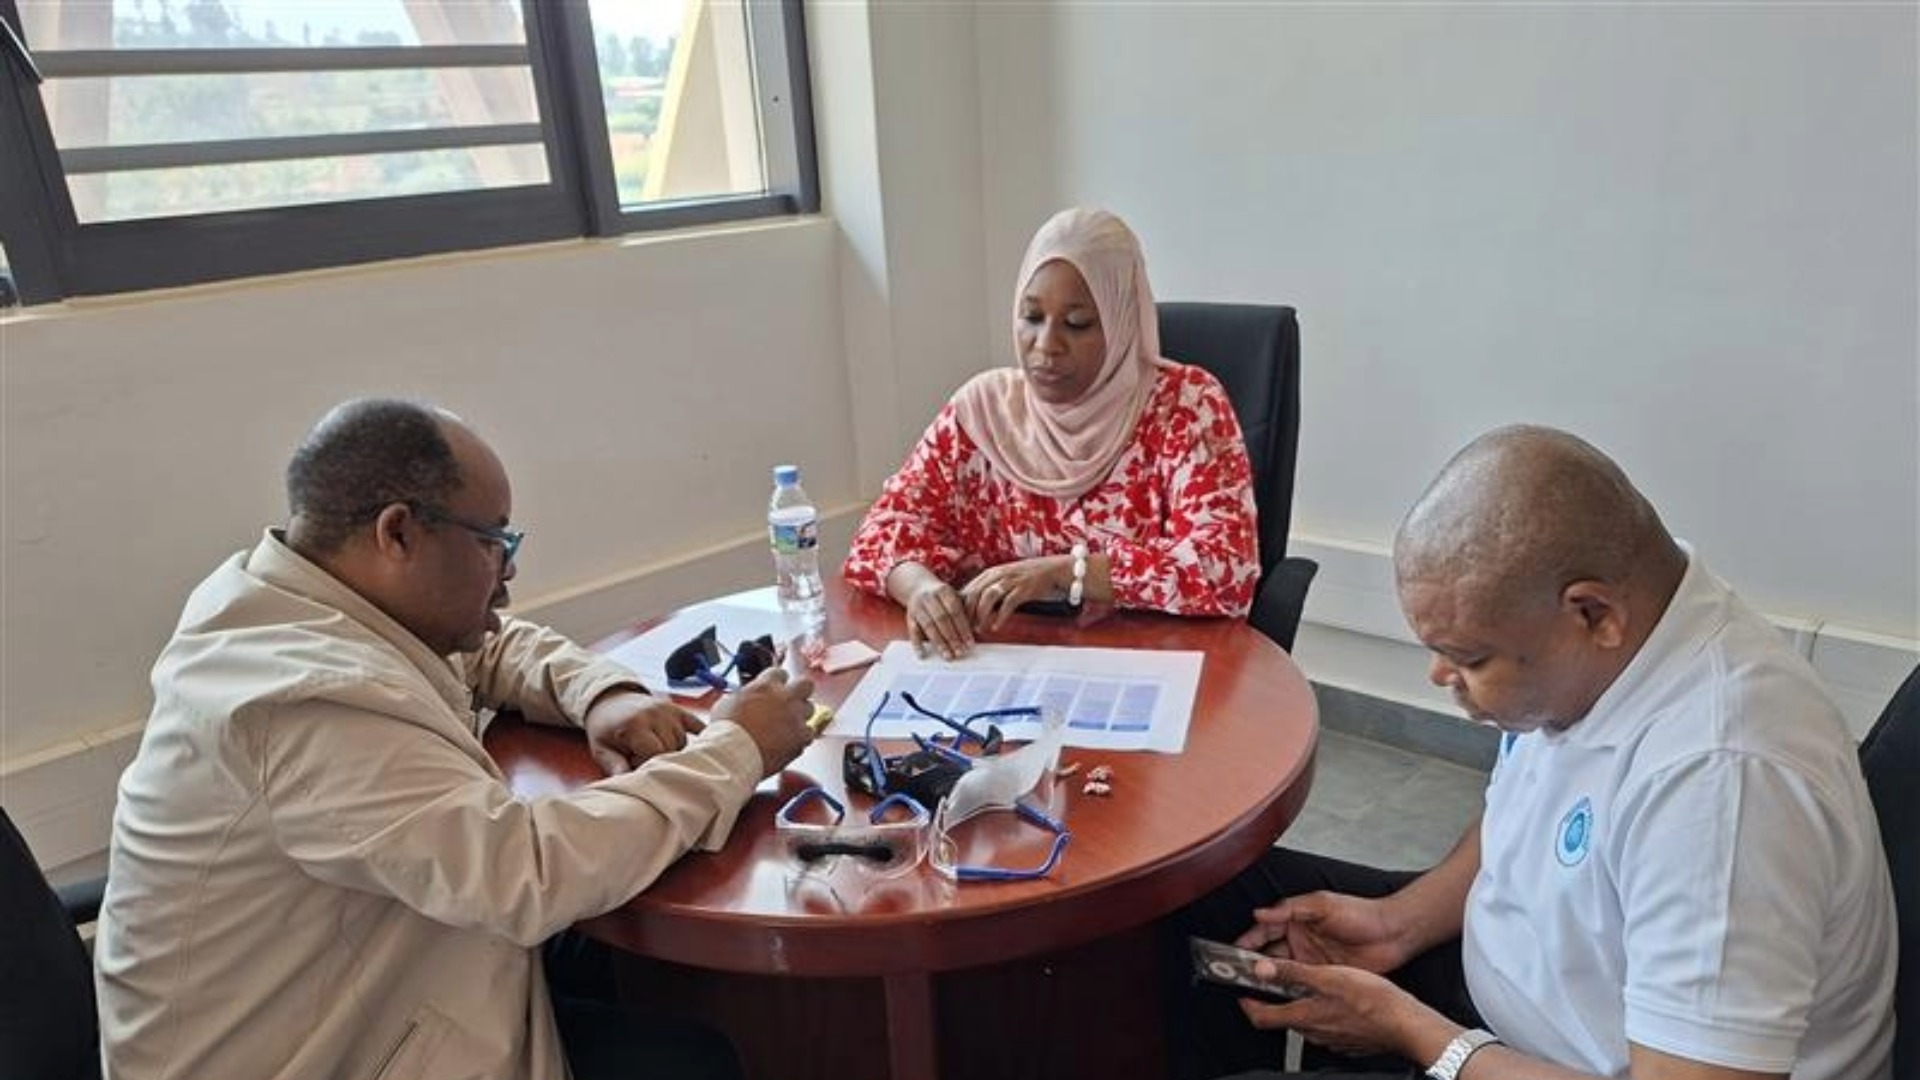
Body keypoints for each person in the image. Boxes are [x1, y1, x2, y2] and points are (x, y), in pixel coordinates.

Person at [95, 399, 819, 1080]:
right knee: (692, 1055)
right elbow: (527, 873)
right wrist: (736, 749)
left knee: (641, 953)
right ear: (399, 532)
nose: (508, 575)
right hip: (324, 1054)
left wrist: (607, 695)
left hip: (383, 981)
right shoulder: (297, 701)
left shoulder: (307, 605)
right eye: (493, 542)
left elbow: (491, 649)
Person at [1172, 425, 1895, 1080]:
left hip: (1580, 1060)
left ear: (1592, 613)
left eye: (1469, 657)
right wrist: (1400, 924)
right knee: (1205, 891)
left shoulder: (1722, 784)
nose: (1440, 677)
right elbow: (1525, 820)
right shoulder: (1616, 644)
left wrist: (1417, 1034)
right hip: (1523, 1009)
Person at [842, 207, 1261, 658]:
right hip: (1002, 667)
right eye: (1031, 317)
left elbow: (1223, 570)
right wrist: (920, 587)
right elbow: (882, 531)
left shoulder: (1185, 406)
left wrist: (1068, 573)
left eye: (1077, 323)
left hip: (1146, 669)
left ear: (1122, 325)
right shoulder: (983, 412)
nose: (1045, 345)